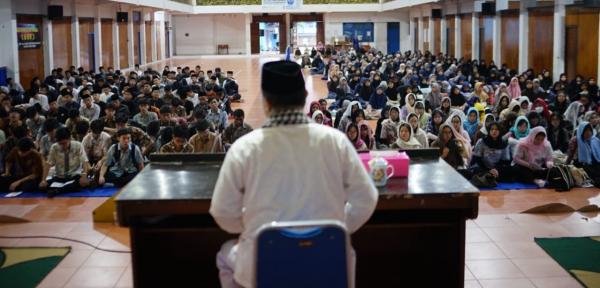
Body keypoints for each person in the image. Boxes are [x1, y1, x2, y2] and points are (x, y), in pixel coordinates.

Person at [210, 60, 377, 288]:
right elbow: (366, 200)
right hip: (328, 264)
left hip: (265, 267)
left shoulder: (244, 148)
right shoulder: (335, 141)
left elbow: (222, 212)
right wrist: (334, 228)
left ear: (266, 102)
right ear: (305, 96)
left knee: (225, 254)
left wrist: (256, 228)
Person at [45, 127, 90, 197]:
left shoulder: (78, 145)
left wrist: (84, 176)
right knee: (44, 185)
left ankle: (58, 190)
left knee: (81, 183)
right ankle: (63, 189)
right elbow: (48, 164)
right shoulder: (54, 147)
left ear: (69, 139)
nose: (63, 146)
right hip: (60, 176)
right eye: (60, 144)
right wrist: (43, 180)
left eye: (64, 143)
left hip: (74, 175)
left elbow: (84, 161)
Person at [470, 122, 512, 187]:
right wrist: (489, 169)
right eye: (492, 129)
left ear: (500, 131)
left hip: (497, 168)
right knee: (476, 170)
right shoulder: (482, 141)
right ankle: (490, 177)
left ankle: (490, 177)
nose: (494, 131)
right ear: (489, 131)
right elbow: (476, 158)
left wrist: (496, 169)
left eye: (496, 129)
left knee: (512, 170)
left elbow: (505, 161)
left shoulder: (504, 143)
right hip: (483, 167)